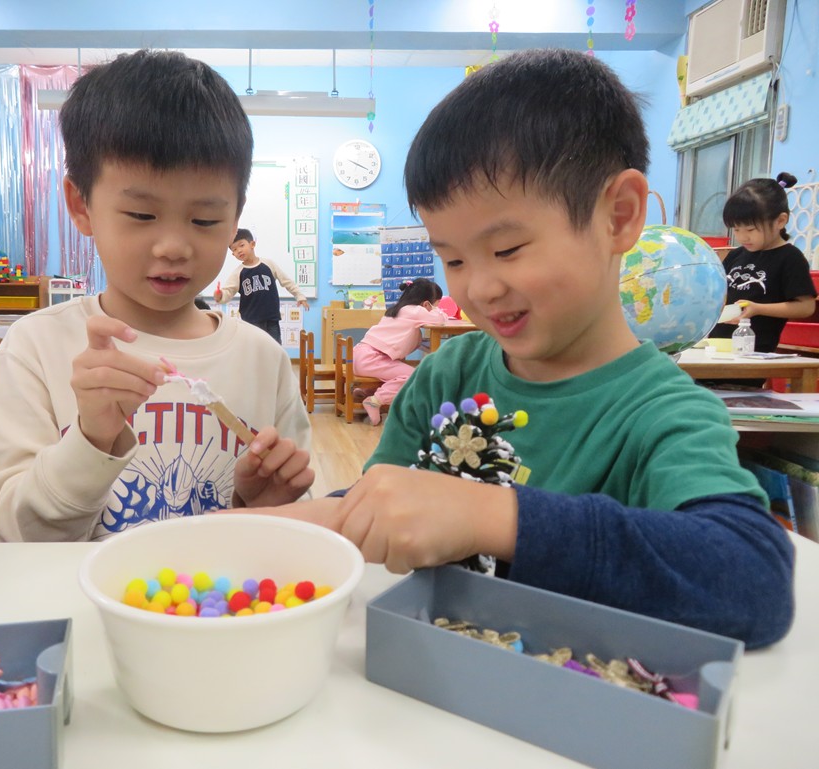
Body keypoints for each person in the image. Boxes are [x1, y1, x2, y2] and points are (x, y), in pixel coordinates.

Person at [246, 49, 794, 649]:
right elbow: (381, 506)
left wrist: (489, 513)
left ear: (619, 216)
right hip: (422, 679)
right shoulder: (446, 375)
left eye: (507, 249)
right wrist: (261, 518)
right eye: (453, 259)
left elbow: (753, 582)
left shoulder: (663, 413)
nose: (479, 288)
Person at [0, 50, 313, 542]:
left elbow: (298, 524)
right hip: (78, 594)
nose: (173, 247)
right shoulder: (37, 348)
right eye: (141, 215)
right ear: (81, 206)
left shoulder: (263, 359)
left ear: (235, 217)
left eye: (205, 220)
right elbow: (10, 533)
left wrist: (260, 507)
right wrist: (90, 440)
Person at [711, 172, 816, 352]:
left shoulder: (790, 257)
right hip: (715, 347)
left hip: (755, 353)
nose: (742, 237)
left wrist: (758, 308)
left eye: (750, 229)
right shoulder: (736, 255)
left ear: (780, 221)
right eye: (736, 229)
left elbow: (806, 307)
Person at [351, 278, 447, 426]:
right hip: (372, 359)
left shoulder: (397, 309)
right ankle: (375, 400)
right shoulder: (416, 311)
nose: (435, 308)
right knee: (413, 376)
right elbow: (440, 319)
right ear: (426, 303)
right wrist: (437, 310)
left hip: (359, 356)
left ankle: (367, 391)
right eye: (435, 305)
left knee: (396, 369)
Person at [213, 228, 309, 343]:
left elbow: (286, 281)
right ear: (233, 254)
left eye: (241, 245)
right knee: (254, 349)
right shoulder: (238, 273)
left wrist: (299, 296)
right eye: (234, 249)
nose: (239, 250)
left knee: (274, 348)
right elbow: (228, 291)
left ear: (252, 244)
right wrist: (220, 296)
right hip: (250, 321)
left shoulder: (268, 264)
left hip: (271, 318)